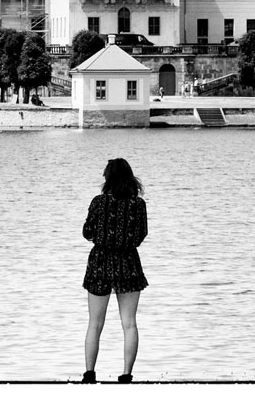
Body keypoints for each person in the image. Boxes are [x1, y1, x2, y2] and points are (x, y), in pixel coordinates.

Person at [81, 158, 148, 383]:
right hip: (128, 262)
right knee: (129, 322)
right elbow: (141, 236)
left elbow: (87, 231)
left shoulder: (99, 202)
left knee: (95, 323)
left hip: (100, 261)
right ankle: (126, 375)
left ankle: (89, 374)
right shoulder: (138, 205)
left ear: (107, 178)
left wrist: (101, 237)